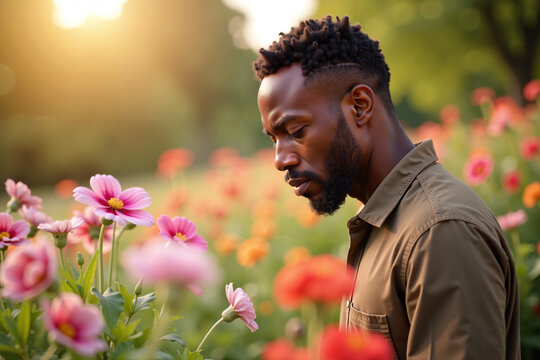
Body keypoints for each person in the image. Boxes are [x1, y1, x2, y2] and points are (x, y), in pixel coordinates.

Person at [253, 15, 520, 359]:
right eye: (273, 139)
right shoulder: (384, 219)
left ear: (360, 106)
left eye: (296, 131)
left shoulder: (439, 231)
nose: (280, 159)